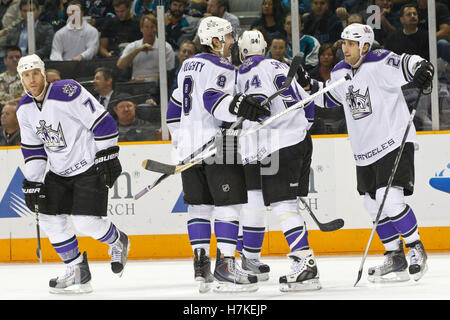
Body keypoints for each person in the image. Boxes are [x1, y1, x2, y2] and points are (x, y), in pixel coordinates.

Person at [300, 23, 432, 283]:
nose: (344, 48)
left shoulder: (381, 62)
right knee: (371, 204)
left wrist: (423, 67)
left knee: (390, 199)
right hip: (364, 150)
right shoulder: (340, 72)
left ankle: (416, 248)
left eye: (350, 43)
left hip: (393, 140)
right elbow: (328, 98)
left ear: (365, 46)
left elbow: (411, 63)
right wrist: (308, 85)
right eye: (343, 43)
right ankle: (395, 256)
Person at [166, 16, 270, 293]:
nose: (232, 42)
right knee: (229, 205)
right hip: (218, 143)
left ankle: (201, 265)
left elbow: (174, 107)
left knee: (199, 205)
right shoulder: (220, 64)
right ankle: (225, 265)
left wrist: (181, 140)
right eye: (228, 37)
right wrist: (239, 105)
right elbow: (215, 101)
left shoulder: (187, 65)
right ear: (214, 41)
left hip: (189, 147)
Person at [16, 54, 130, 293]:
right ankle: (77, 269)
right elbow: (34, 149)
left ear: (44, 73)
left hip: (88, 166)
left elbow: (103, 121)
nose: (32, 79)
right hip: (58, 172)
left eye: (35, 72)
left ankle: (117, 240)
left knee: (85, 222)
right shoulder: (24, 109)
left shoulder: (67, 91)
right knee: (49, 218)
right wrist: (33, 182)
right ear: (21, 79)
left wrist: (108, 154)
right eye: (26, 75)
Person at [235, 30, 320, 292]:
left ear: (241, 52)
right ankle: (249, 260)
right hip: (287, 140)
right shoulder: (281, 65)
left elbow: (258, 100)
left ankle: (306, 264)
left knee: (282, 205)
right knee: (254, 200)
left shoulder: (244, 70)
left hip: (277, 142)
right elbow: (309, 107)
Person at [117, 13, 175, 81]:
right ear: (141, 29)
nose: (149, 31)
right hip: (136, 85)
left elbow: (169, 74)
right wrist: (137, 50)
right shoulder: (133, 46)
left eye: (152, 27)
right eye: (146, 27)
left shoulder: (166, 47)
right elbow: (120, 65)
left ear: (156, 29)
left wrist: (145, 80)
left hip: (158, 85)